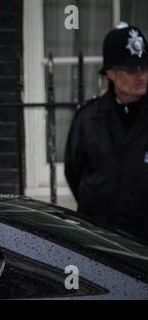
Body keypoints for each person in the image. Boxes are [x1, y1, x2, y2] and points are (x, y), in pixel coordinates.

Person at [65, 23, 148, 243]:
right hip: (100, 240)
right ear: (111, 73)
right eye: (131, 70)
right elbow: (74, 171)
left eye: (144, 68)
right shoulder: (88, 118)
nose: (141, 76)